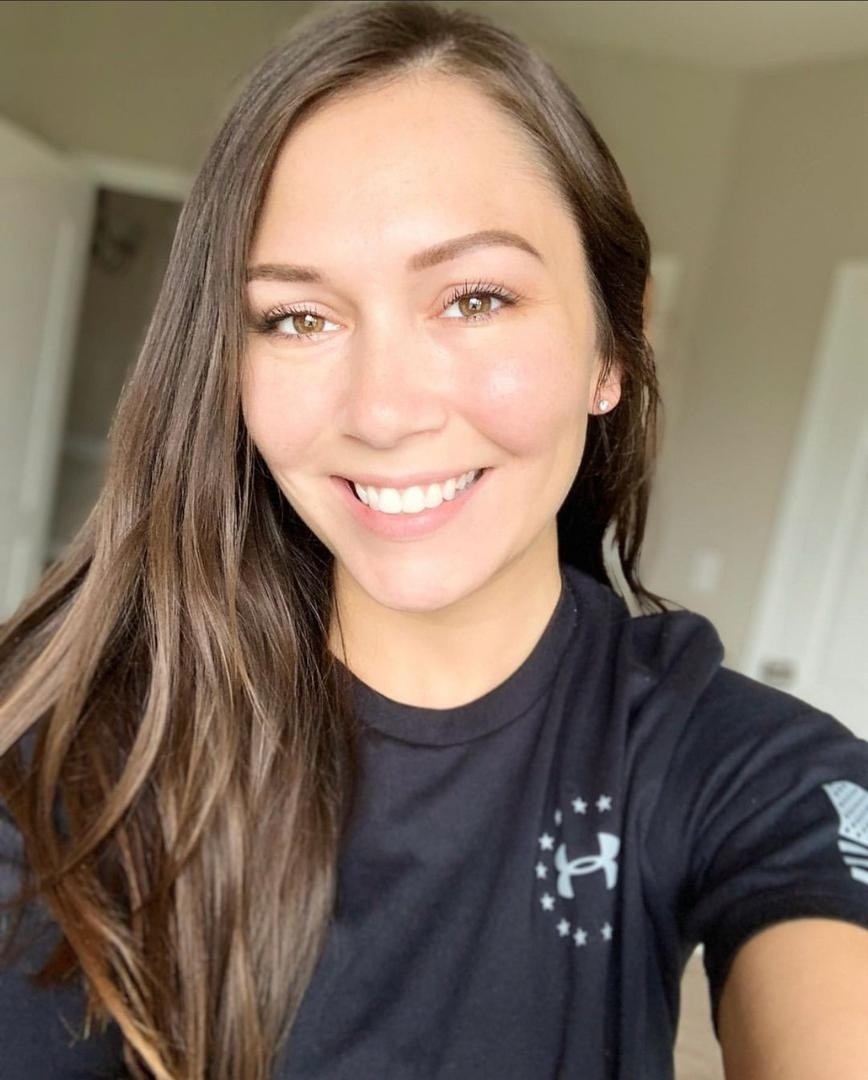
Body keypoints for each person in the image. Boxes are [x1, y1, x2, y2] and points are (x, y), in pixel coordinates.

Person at [1, 2, 867, 1077]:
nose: (382, 412)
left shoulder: (745, 770)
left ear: (612, 346)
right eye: (297, 317)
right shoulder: (76, 757)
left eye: (474, 299)